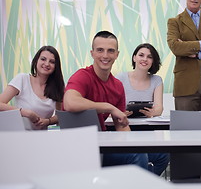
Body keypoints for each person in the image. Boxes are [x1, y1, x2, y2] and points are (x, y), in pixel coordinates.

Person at [63, 31, 168, 176]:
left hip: (102, 143)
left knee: (162, 154)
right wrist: (108, 107)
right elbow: (69, 102)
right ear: (92, 53)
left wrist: (134, 144)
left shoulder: (117, 85)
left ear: (117, 54)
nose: (105, 55)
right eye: (100, 50)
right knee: (138, 156)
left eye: (110, 51)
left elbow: (122, 127)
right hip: (80, 148)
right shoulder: (83, 76)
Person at [0, 46, 64, 130]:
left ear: (56, 66)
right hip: (18, 136)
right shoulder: (22, 79)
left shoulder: (57, 87)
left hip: (41, 139)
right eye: (43, 59)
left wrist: (48, 121)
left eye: (52, 62)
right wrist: (25, 112)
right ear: (36, 60)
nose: (47, 64)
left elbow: (60, 115)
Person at [116, 43, 163, 117]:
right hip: (123, 123)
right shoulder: (121, 78)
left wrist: (153, 112)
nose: (145, 59)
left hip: (147, 124)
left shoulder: (157, 80)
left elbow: (159, 109)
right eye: (141, 55)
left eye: (149, 57)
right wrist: (119, 113)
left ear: (153, 61)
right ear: (134, 58)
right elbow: (111, 106)